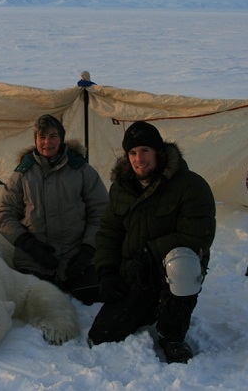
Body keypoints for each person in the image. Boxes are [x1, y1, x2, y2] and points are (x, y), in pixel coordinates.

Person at [87, 121, 216, 364]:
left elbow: (198, 235)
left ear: (158, 151)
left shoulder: (190, 185)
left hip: (169, 271)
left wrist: (150, 251)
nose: (139, 159)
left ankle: (172, 335)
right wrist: (106, 271)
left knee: (183, 265)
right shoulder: (121, 187)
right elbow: (109, 232)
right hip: (135, 272)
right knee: (101, 337)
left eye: (145, 150)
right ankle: (150, 307)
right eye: (133, 153)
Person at [0, 114, 108, 305]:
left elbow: (101, 211)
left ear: (61, 138)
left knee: (94, 296)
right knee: (32, 302)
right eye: (42, 137)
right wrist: (29, 244)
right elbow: (4, 215)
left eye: (53, 136)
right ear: (35, 140)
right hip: (34, 258)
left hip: (75, 255)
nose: (47, 142)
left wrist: (87, 250)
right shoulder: (23, 173)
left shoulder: (81, 170)